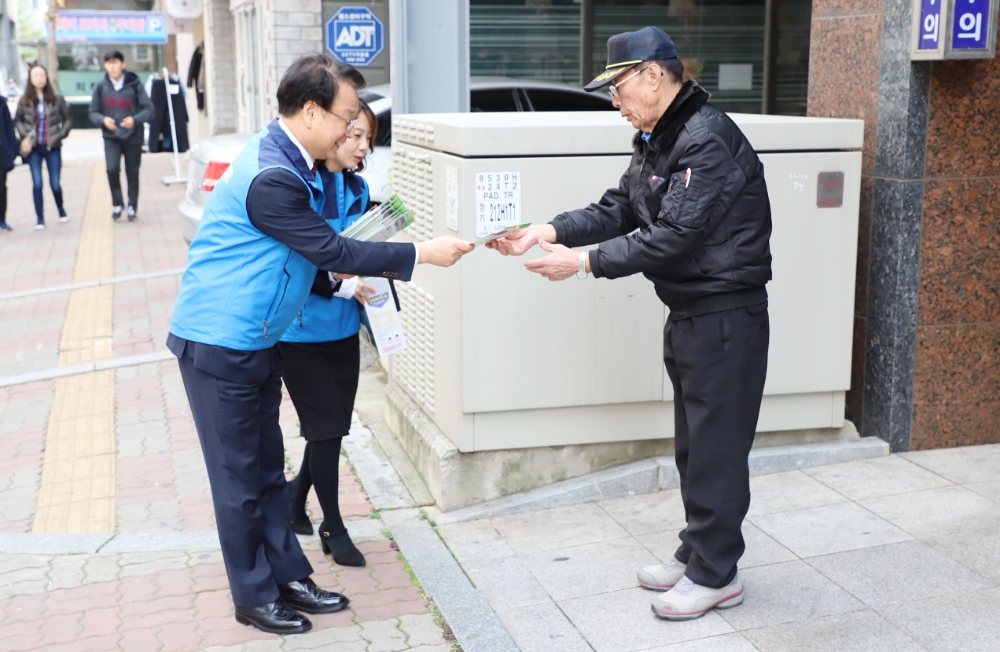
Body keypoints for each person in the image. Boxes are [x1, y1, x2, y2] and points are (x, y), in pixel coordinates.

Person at [166, 53, 473, 636]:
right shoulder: (274, 176)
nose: (351, 129)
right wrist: (419, 253)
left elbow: (303, 261)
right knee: (239, 480)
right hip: (219, 342)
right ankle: (253, 595)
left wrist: (343, 283)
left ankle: (287, 575)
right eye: (346, 115)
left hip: (255, 339)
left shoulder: (296, 161)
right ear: (311, 112)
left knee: (266, 471)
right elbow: (330, 250)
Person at [489, 26, 772, 621]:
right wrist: (552, 229)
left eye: (618, 88)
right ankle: (698, 551)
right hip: (692, 313)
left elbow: (673, 236)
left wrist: (584, 263)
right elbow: (622, 207)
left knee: (717, 448)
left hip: (725, 316)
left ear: (652, 75)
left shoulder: (705, 139)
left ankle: (717, 573)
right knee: (694, 446)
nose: (614, 102)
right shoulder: (657, 137)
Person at [282, 99, 380, 568]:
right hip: (299, 335)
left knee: (331, 429)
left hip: (343, 330)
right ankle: (332, 526)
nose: (362, 146)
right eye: (355, 135)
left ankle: (292, 499)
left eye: (368, 139)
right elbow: (308, 266)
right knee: (325, 428)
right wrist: (348, 284)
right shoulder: (301, 186)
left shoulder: (358, 189)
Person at [88, 50, 153, 222]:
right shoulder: (101, 87)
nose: (113, 66)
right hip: (111, 137)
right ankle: (118, 203)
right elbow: (93, 112)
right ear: (105, 66)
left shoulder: (135, 85)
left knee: (132, 172)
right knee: (112, 169)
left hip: (133, 136)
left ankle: (132, 206)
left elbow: (149, 110)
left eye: (116, 62)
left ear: (123, 64)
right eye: (109, 63)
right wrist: (103, 120)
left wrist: (134, 119)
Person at [15, 65, 72, 230]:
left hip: (52, 146)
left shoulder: (56, 98)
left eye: (42, 75)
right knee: (37, 183)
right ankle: (40, 218)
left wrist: (60, 134)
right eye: (35, 75)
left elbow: (68, 118)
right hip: (33, 148)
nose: (39, 78)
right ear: (30, 79)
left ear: (46, 78)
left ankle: (60, 209)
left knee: (55, 183)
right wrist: (25, 133)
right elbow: (17, 119)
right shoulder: (24, 100)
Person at [0, 80, 16, 232]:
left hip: (1, 153)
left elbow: (9, 130)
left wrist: (12, 153)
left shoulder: (2, 105)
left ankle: (2, 219)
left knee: (1, 188)